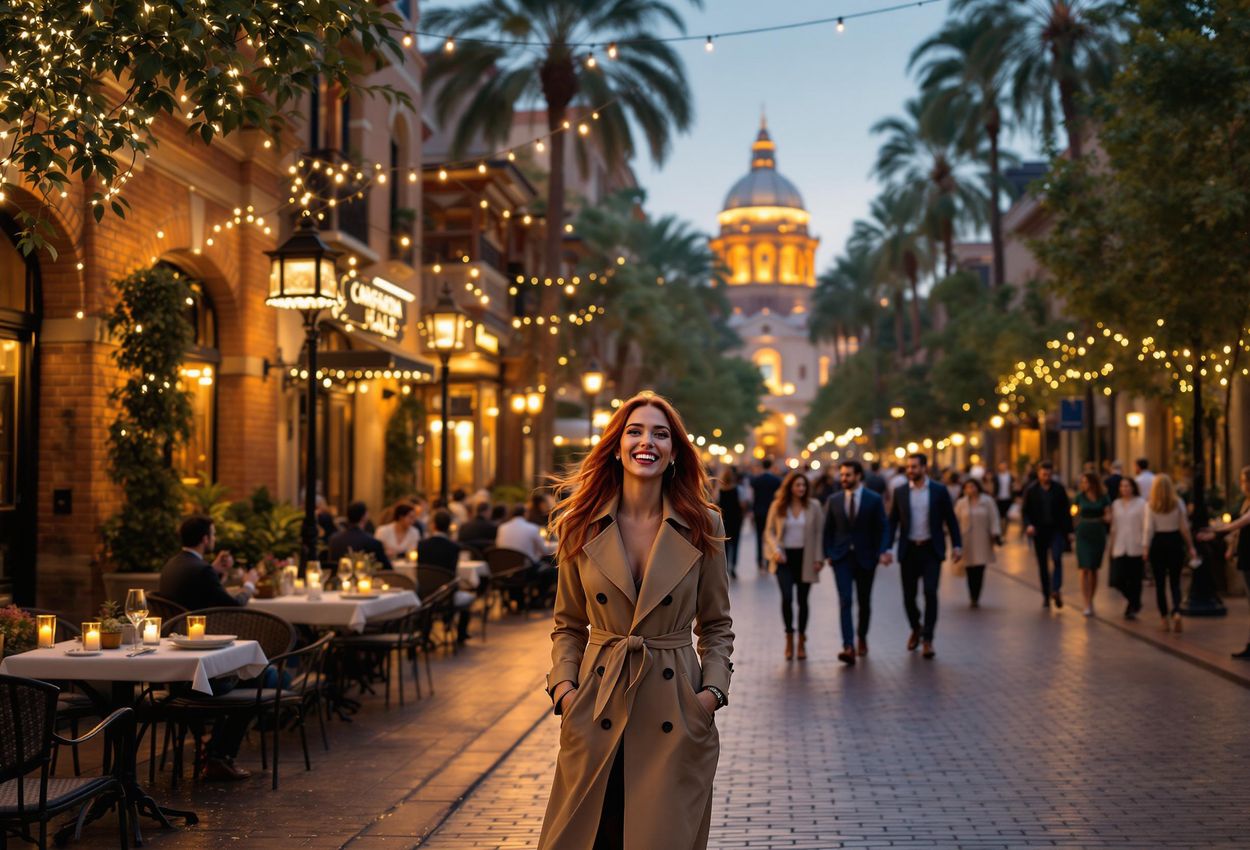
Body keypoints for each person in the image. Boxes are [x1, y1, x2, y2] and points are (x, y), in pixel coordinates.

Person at [539, 393, 733, 850]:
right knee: (590, 836)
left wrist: (711, 694)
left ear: (673, 453)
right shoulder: (579, 524)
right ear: (616, 445)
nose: (647, 442)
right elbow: (567, 624)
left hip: (673, 707)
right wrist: (565, 691)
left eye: (661, 434)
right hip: (597, 706)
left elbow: (717, 625)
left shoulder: (701, 524)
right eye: (635, 431)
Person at [158, 516, 262, 781]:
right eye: (213, 534)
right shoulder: (201, 570)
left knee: (262, 674)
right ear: (206, 538)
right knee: (256, 677)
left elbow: (196, 587)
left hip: (175, 665)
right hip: (199, 671)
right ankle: (218, 756)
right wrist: (249, 584)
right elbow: (233, 605)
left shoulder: (172, 565)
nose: (213, 539)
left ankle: (215, 752)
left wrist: (213, 569)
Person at [888, 453, 960, 658]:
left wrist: (957, 545)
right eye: (908, 467)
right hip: (908, 550)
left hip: (931, 550)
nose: (910, 470)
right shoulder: (900, 491)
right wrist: (886, 548)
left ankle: (928, 639)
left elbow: (951, 519)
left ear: (924, 468)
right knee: (909, 597)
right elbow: (893, 521)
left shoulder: (939, 491)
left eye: (914, 467)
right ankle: (916, 627)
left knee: (930, 592)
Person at [823, 460, 890, 664]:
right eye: (842, 475)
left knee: (864, 602)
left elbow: (883, 527)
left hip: (866, 557)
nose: (844, 479)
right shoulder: (834, 500)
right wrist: (829, 553)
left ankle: (862, 637)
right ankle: (848, 645)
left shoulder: (874, 499)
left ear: (859, 476)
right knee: (845, 600)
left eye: (848, 475)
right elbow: (828, 530)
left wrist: (883, 551)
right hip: (842, 557)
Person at [762, 470, 825, 661]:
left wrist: (818, 558)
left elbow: (819, 533)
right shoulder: (778, 505)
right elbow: (769, 531)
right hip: (784, 559)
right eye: (797, 485)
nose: (801, 489)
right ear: (790, 487)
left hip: (805, 558)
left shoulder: (814, 506)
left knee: (803, 601)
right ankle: (789, 637)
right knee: (787, 597)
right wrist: (775, 550)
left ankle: (801, 641)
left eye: (804, 486)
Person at [1143, 474, 1197, 633]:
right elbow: (1184, 527)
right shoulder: (1178, 503)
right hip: (1174, 542)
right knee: (1175, 581)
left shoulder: (1151, 505)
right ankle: (1177, 612)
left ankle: (1164, 618)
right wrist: (1190, 546)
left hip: (1158, 543)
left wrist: (1145, 548)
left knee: (1160, 584)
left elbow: (1148, 529)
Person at [1208, 466, 1250, 658]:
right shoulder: (1245, 502)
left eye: (1243, 480)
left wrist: (1218, 530)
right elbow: (1239, 530)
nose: (1242, 484)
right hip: (1246, 554)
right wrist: (1231, 548)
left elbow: (1242, 522)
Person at [1022, 462, 1072, 609]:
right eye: (1044, 474)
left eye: (1049, 474)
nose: (1046, 476)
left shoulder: (1058, 489)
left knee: (1057, 558)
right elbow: (1025, 511)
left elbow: (1066, 511)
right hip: (1039, 531)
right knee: (1043, 563)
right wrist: (1028, 525)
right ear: (1039, 474)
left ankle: (1055, 589)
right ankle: (1046, 594)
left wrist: (1069, 531)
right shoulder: (1031, 490)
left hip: (1056, 530)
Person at [418, 510, 473, 642]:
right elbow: (453, 572)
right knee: (468, 599)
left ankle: (424, 634)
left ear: (433, 525)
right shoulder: (453, 546)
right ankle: (461, 633)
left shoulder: (422, 545)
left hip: (425, 594)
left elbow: (421, 569)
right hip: (447, 595)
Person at [953, 479, 1000, 608]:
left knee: (980, 567)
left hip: (982, 538)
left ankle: (977, 594)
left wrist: (995, 532)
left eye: (972, 487)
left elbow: (994, 517)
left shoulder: (987, 501)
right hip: (967, 539)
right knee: (969, 567)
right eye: (967, 487)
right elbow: (954, 520)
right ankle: (972, 595)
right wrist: (954, 537)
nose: (970, 490)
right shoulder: (961, 503)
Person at [1074, 472, 1112, 616]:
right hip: (1083, 532)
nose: (1084, 485)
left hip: (1097, 532)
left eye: (1086, 482)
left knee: (1094, 568)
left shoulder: (1103, 497)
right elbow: (1073, 511)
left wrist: (1107, 517)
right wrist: (1074, 519)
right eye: (1082, 482)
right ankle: (1085, 602)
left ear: (1093, 482)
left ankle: (1091, 599)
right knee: (1084, 567)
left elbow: (1108, 514)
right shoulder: (1079, 497)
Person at [1108, 477, 1146, 620]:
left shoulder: (1141, 504)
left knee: (1135, 578)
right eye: (1122, 486)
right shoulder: (1116, 504)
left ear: (1133, 487)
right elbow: (1114, 527)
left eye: (1127, 486)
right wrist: (1111, 546)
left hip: (1135, 545)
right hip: (1120, 545)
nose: (1125, 489)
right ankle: (1134, 601)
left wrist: (1145, 544)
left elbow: (1145, 525)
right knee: (1118, 579)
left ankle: (1132, 606)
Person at [327, 501, 392, 570]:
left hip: (338, 578)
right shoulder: (372, 542)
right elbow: (388, 569)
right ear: (364, 516)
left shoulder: (334, 539)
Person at [750, 459, 782, 570]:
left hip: (759, 511)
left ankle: (759, 560)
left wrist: (752, 511)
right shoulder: (776, 480)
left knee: (759, 537)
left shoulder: (756, 480)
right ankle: (768, 559)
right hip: (771, 512)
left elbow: (753, 496)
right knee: (770, 536)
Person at [715, 467, 745, 579]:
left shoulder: (719, 490)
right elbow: (743, 504)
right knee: (736, 543)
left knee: (725, 544)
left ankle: (726, 566)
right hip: (736, 519)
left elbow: (715, 503)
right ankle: (734, 566)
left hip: (723, 520)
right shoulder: (739, 489)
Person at [993, 461, 1015, 527]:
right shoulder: (996, 476)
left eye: (1004, 465)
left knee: (1007, 515)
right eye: (1001, 465)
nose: (1003, 467)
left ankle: (1006, 529)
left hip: (1008, 497)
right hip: (999, 498)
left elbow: (1014, 486)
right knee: (999, 515)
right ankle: (1001, 529)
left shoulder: (1010, 476)